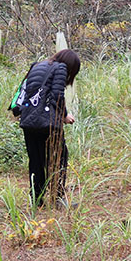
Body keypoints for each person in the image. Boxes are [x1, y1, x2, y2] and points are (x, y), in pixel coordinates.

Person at [16, 48, 80, 207]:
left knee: (36, 161)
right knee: (59, 157)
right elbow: (57, 95)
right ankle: (57, 198)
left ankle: (36, 200)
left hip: (28, 121)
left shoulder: (36, 65)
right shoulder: (61, 68)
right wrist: (64, 115)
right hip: (47, 123)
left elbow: (24, 91)